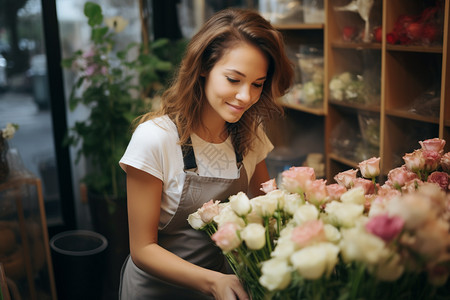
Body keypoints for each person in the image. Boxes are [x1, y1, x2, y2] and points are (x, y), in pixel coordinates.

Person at [118, 7, 294, 300]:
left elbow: (266, 213)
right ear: (203, 67)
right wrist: (213, 282)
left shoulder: (250, 136)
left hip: (223, 288)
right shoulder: (155, 139)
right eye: (234, 79)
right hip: (157, 292)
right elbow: (142, 249)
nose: (246, 96)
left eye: (257, 85)